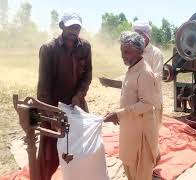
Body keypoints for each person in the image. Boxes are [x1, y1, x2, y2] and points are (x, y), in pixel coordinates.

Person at [37, 12, 92, 180]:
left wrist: (79, 95)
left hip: (76, 107)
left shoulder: (85, 47)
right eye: (70, 27)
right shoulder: (48, 49)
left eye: (77, 27)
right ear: (62, 26)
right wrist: (52, 117)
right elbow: (43, 88)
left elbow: (87, 75)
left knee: (79, 151)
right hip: (52, 107)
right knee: (49, 155)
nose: (73, 31)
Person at [104, 31, 162, 180]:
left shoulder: (145, 73)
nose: (123, 55)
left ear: (140, 51)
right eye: (122, 51)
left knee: (140, 171)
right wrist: (119, 114)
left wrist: (120, 113)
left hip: (141, 132)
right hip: (129, 128)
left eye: (127, 52)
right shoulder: (132, 70)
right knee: (129, 166)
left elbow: (148, 104)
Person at [132, 20, 164, 119]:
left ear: (146, 35)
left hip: (152, 102)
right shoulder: (134, 52)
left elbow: (157, 77)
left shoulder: (156, 53)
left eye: (139, 35)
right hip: (136, 102)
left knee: (151, 133)